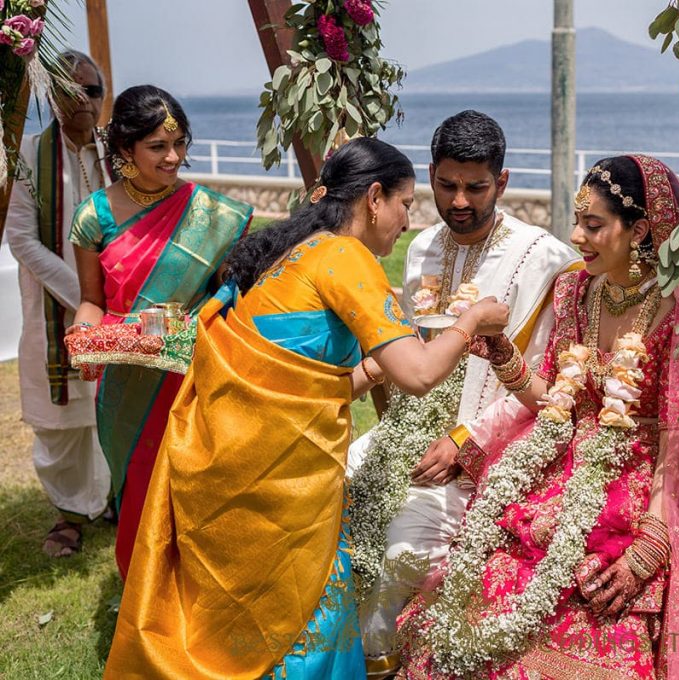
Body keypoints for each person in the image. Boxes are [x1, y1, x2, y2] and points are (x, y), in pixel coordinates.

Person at [102, 138, 510, 679]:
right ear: (373, 197)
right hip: (278, 486)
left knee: (238, 622)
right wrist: (472, 320)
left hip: (228, 465)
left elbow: (311, 382)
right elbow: (419, 374)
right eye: (406, 204)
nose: (408, 221)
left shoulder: (296, 254)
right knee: (300, 616)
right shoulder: (345, 256)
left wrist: (382, 361)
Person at [396, 156, 679, 679]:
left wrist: (651, 544)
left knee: (593, 604)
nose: (577, 236)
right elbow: (554, 398)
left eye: (594, 225)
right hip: (563, 462)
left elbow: (676, 441)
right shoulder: (576, 292)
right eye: (578, 221)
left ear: (640, 230)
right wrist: (504, 355)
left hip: (640, 480)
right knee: (484, 581)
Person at [346, 110, 579, 676]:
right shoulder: (423, 245)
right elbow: (407, 344)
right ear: (429, 175)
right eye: (446, 185)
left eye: (476, 187)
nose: (458, 201)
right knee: (328, 499)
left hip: (485, 447)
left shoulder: (545, 258)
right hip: (406, 427)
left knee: (398, 554)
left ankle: (382, 660)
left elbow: (550, 377)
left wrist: (463, 441)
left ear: (501, 182)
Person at [66, 85, 253, 578]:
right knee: (139, 485)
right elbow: (92, 301)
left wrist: (198, 322)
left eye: (180, 143)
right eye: (157, 147)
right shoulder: (94, 217)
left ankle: (196, 590)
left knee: (196, 486)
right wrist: (84, 341)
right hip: (126, 376)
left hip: (193, 373)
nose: (174, 157)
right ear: (125, 149)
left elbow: (231, 294)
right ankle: (143, 595)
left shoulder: (212, 215)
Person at [6, 50, 113, 557]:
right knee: (62, 423)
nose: (85, 102)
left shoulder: (117, 154)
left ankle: (110, 497)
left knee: (109, 411)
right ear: (52, 96)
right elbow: (22, 240)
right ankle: (69, 513)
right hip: (57, 306)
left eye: (93, 91)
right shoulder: (28, 154)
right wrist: (84, 296)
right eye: (72, 91)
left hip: (119, 306)